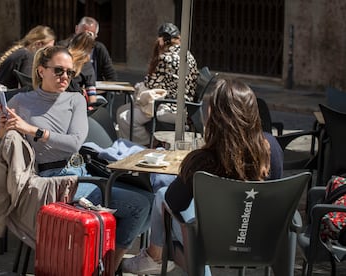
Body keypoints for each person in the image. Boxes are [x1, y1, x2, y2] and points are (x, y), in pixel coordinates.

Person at [0, 45, 153, 269]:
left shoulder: (75, 99)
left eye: (69, 72)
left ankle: (102, 258)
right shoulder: (20, 102)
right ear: (41, 71)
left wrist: (31, 130)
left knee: (150, 198)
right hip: (50, 182)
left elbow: (74, 142)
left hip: (80, 175)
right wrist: (3, 130)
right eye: (58, 70)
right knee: (139, 205)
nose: (65, 77)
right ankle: (111, 267)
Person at [122, 78, 284, 275]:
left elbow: (174, 202)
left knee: (164, 198)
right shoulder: (271, 149)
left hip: (212, 245)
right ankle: (157, 256)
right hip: (258, 242)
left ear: (214, 116)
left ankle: (155, 256)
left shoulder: (203, 160)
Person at [116, 22, 199, 146]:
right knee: (124, 110)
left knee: (124, 117)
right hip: (185, 107)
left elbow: (150, 84)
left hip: (169, 107)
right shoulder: (188, 55)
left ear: (161, 40)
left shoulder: (166, 58)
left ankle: (146, 145)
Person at [0, 25, 56, 89]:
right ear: (38, 44)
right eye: (48, 48)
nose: (49, 52)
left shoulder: (22, 53)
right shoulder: (27, 57)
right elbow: (28, 86)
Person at [59, 16, 117, 81]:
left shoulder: (99, 48)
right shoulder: (63, 47)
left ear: (95, 36)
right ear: (76, 29)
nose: (85, 38)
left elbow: (110, 74)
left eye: (89, 35)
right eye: (82, 34)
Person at [66, 32, 98, 105]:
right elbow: (92, 97)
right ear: (90, 49)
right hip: (74, 103)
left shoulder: (61, 57)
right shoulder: (86, 65)